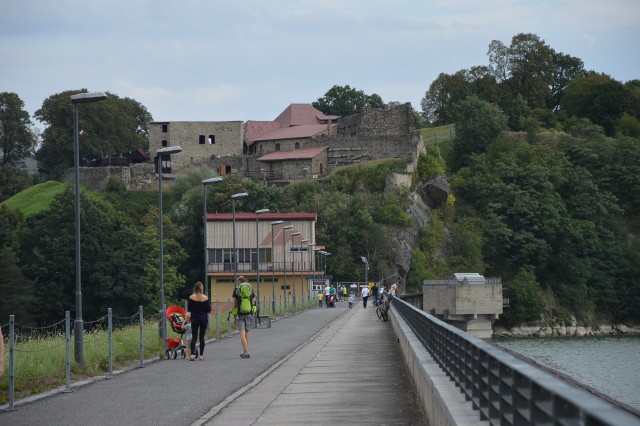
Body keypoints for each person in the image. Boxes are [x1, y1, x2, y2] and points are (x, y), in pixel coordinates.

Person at [187, 281, 211, 361]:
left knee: (194, 337)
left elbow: (189, 309)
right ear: (202, 288)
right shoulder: (205, 297)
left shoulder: (191, 297)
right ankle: (201, 355)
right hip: (203, 319)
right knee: (201, 337)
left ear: (195, 288)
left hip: (195, 319)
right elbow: (208, 310)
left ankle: (192, 355)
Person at [233, 276, 255, 359]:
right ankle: (245, 351)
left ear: (239, 281)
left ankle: (247, 352)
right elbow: (253, 301)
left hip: (240, 313)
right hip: (249, 312)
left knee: (242, 333)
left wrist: (234, 315)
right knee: (246, 333)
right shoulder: (250, 289)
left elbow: (234, 303)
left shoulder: (236, 289)